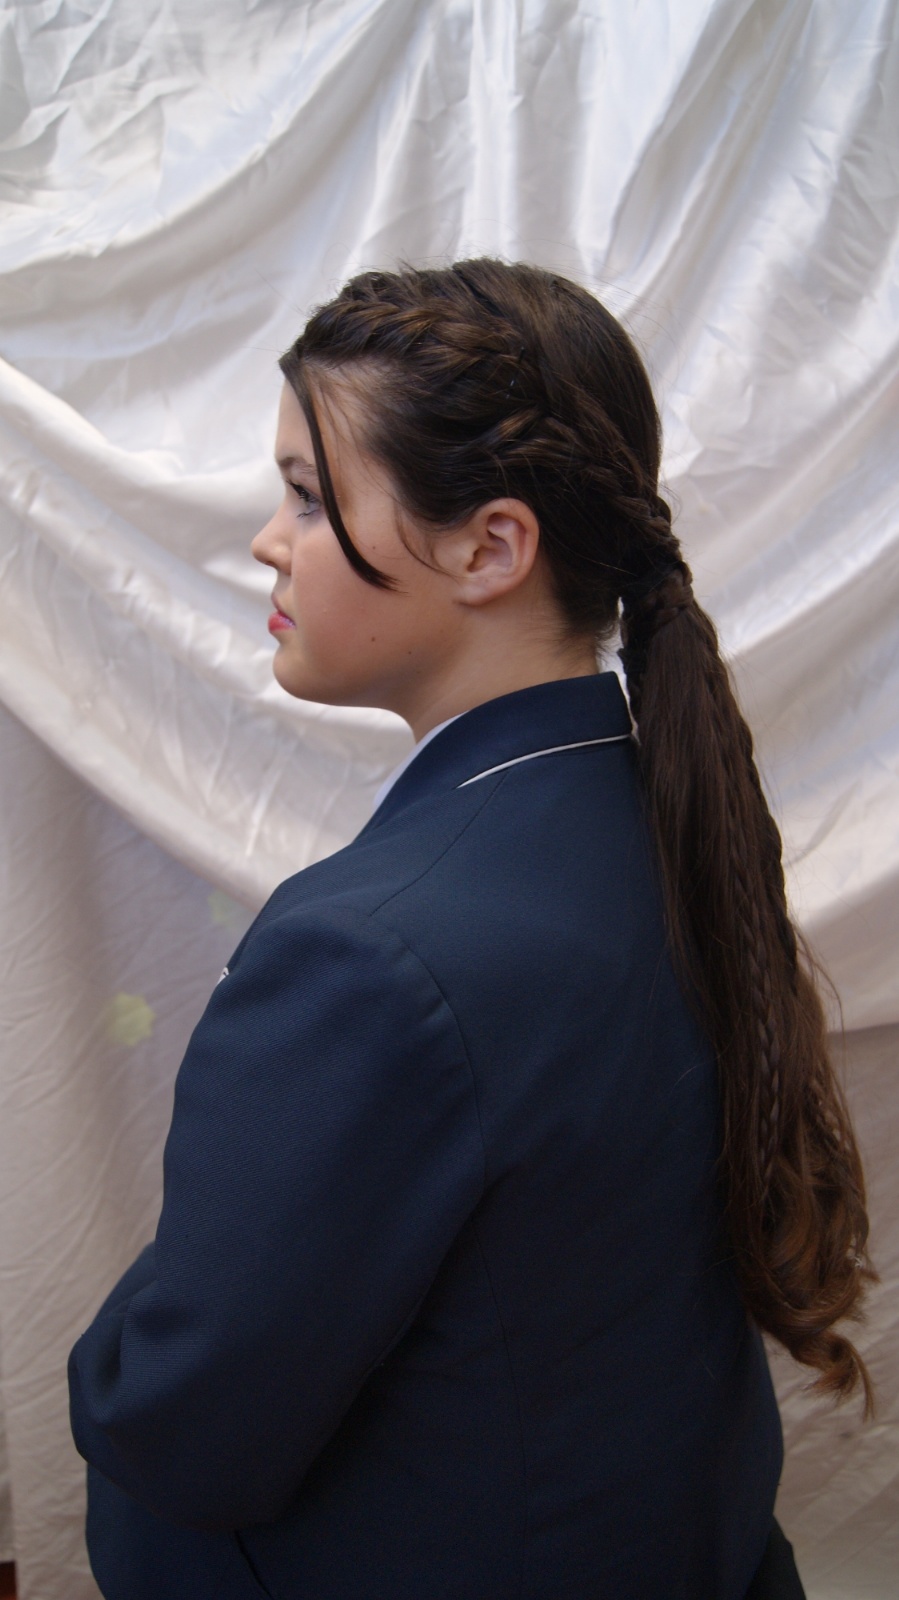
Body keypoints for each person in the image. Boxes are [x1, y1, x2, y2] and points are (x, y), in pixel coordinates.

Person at [68, 260, 873, 1600]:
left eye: (309, 495)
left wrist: (120, 1343)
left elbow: (181, 1429)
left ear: (492, 548)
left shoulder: (365, 957)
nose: (269, 540)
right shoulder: (664, 822)